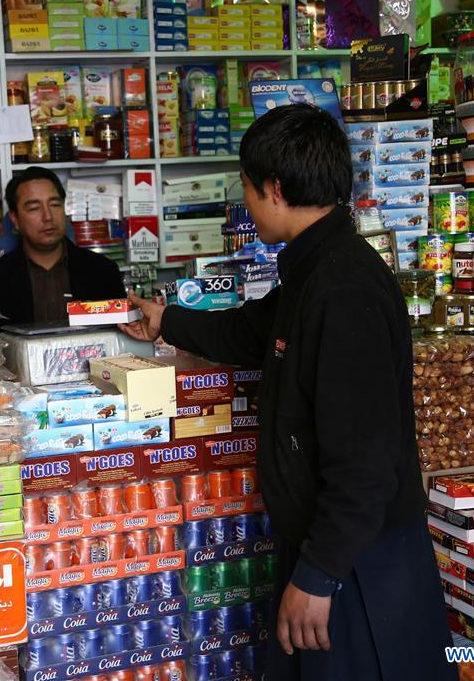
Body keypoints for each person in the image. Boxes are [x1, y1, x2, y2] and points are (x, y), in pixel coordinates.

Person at [121, 104, 456, 681]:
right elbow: (253, 331)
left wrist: (318, 576)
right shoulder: (313, 267)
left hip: (361, 564)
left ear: (274, 188)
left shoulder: (343, 288)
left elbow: (365, 464)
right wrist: (167, 323)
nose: (247, 206)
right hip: (333, 549)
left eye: (248, 190)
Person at [0, 166, 126, 324]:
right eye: (34, 208)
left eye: (54, 205)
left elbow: (118, 336)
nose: (47, 216)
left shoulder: (103, 271)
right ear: (15, 220)